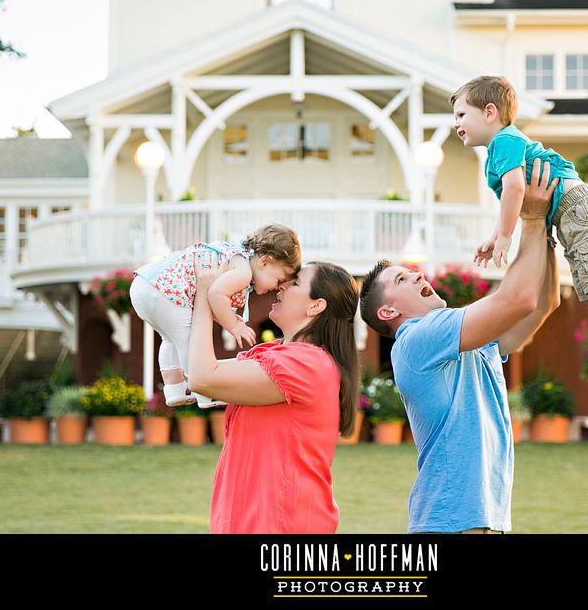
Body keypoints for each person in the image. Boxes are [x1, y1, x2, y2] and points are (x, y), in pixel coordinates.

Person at [359, 161, 560, 534]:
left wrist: (546, 224)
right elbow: (519, 300)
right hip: (447, 525)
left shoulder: (470, 342)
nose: (419, 274)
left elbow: (545, 303)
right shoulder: (419, 338)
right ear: (389, 311)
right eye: (403, 278)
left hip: (485, 521)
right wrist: (530, 219)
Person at [450, 75, 588, 402]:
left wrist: (504, 235)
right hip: (569, 214)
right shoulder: (501, 148)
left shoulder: (504, 141)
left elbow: (516, 189)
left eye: (461, 115)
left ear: (489, 112)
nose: (456, 123)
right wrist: (494, 236)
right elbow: (515, 197)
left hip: (578, 209)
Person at [187, 259, 360, 534]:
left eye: (294, 283)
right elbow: (195, 377)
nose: (280, 286)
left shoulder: (307, 365)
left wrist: (207, 296)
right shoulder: (279, 356)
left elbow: (201, 377)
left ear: (316, 305)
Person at [130, 223, 301, 408]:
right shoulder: (243, 272)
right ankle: (205, 390)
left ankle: (174, 389)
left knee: (170, 338)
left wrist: (224, 316)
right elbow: (215, 294)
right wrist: (233, 326)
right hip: (165, 291)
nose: (277, 287)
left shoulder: (236, 257)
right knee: (189, 340)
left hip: (145, 286)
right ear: (264, 262)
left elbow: (212, 298)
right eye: (279, 280)